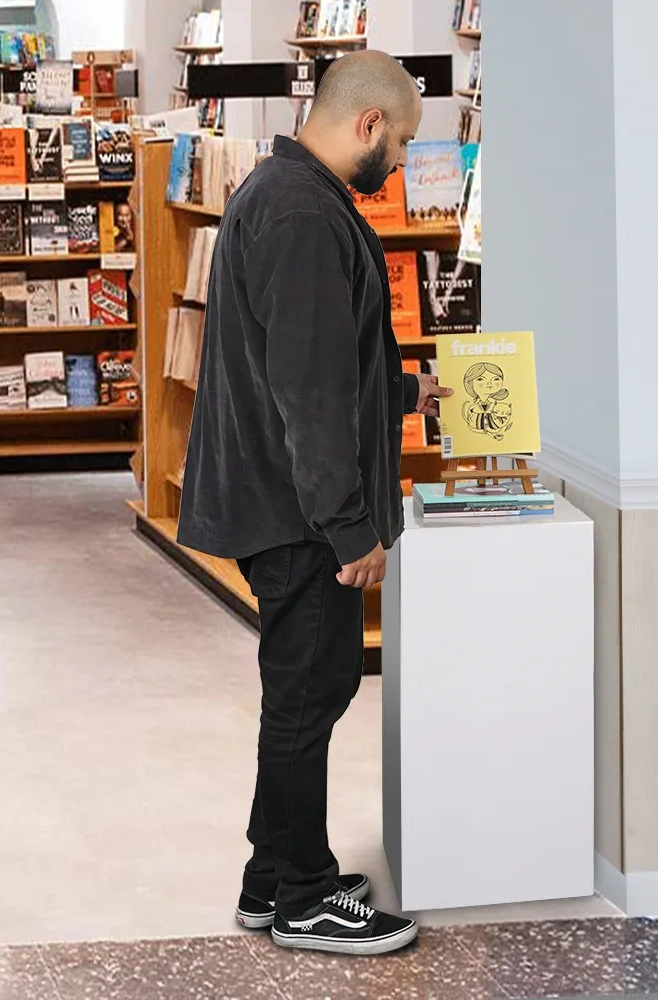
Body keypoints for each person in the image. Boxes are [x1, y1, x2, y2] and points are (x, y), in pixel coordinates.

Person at [176, 50, 452, 957]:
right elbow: (307, 388)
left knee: (309, 688)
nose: (400, 164)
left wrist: (407, 393)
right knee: (306, 695)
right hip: (297, 511)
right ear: (368, 123)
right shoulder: (302, 213)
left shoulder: (289, 194)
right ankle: (302, 897)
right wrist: (349, 527)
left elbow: (316, 361)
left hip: (283, 497)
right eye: (400, 143)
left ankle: (272, 879)